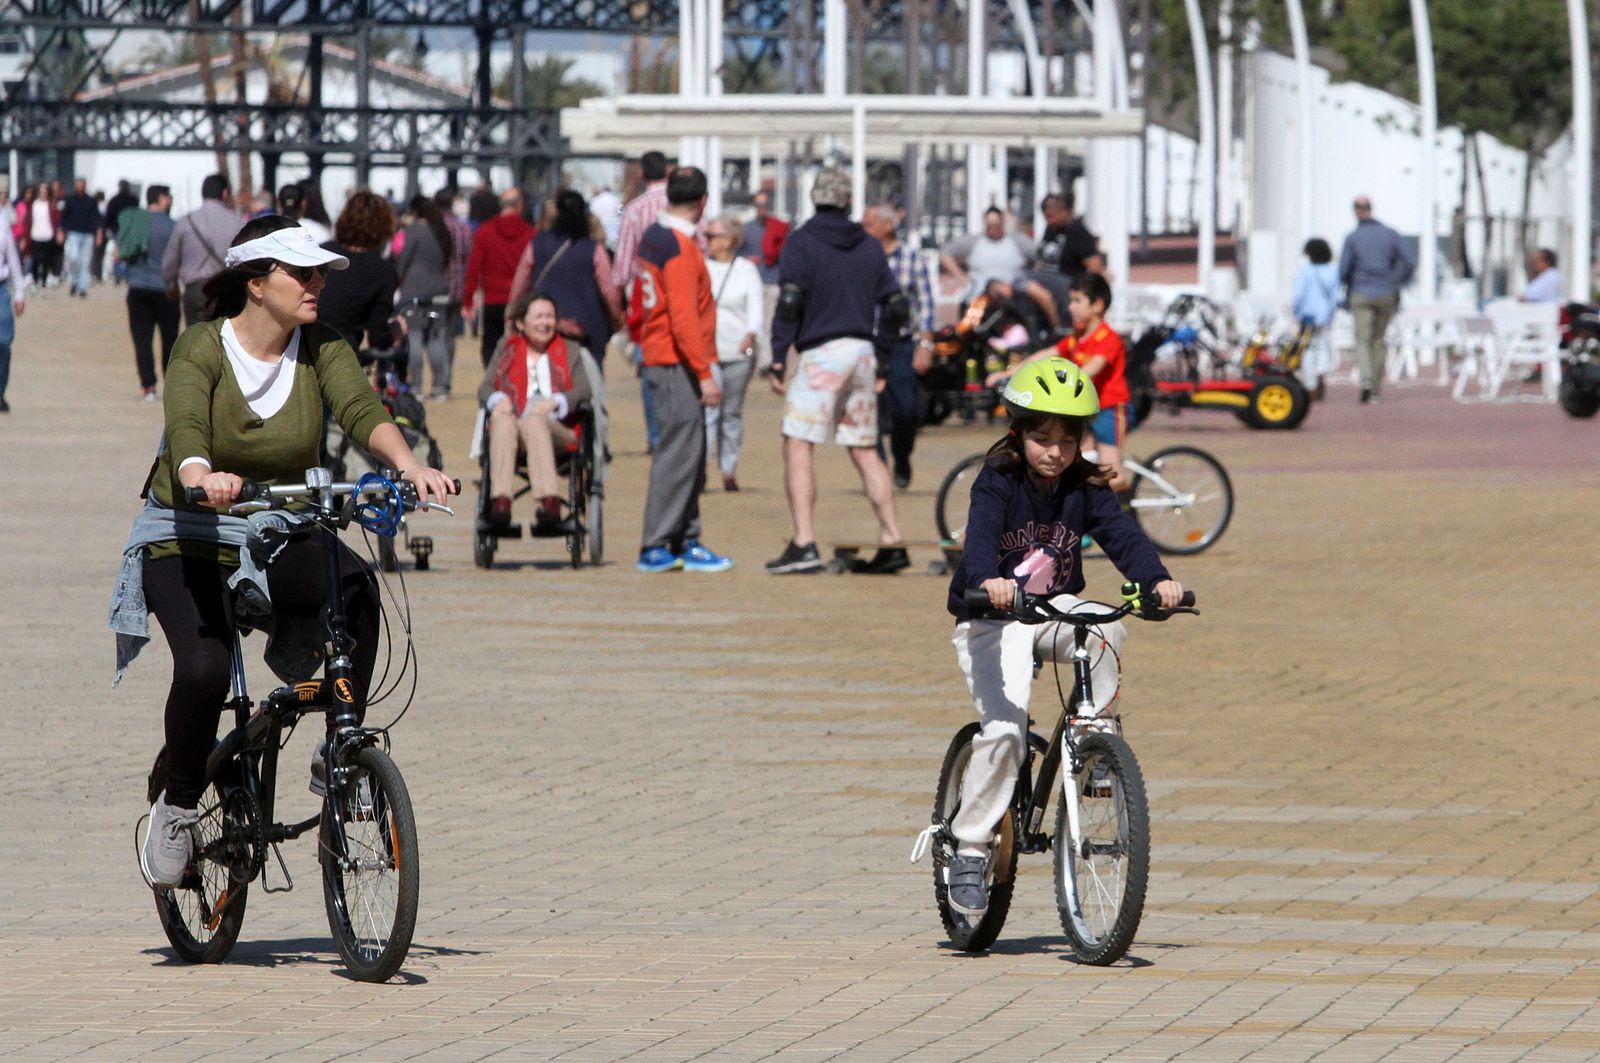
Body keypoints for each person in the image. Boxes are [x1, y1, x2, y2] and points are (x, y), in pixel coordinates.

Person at [120, 215, 455, 888]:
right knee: (207, 666)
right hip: (190, 536)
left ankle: (340, 751)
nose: (317, 283)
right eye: (301, 273)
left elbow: (361, 411)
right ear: (256, 283)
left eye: (319, 272)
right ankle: (179, 807)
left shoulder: (321, 346)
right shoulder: (201, 346)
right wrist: (196, 474)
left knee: (357, 589)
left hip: (276, 530)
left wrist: (407, 464)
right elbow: (186, 421)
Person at [942, 357, 1183, 918]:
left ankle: (1095, 740)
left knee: (1107, 625)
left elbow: (1124, 536)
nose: (1054, 451)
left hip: (1050, 609)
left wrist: (1159, 582)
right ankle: (970, 847)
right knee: (1004, 732)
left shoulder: (1085, 485)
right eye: (1041, 437)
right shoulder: (996, 480)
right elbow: (978, 541)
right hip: (991, 616)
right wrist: (987, 581)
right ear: (1017, 432)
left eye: (1066, 439)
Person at [765, 167, 907, 575]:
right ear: (848, 201)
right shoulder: (869, 245)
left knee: (797, 444)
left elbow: (790, 303)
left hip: (822, 354)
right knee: (864, 449)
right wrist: (882, 356)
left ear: (815, 198)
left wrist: (778, 357)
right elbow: (897, 306)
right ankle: (892, 539)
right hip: (862, 351)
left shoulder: (801, 242)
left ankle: (804, 542)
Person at [632, 166, 732, 574]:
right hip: (675, 362)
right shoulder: (678, 246)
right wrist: (704, 370)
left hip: (662, 355)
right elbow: (684, 317)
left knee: (690, 452)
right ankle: (656, 542)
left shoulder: (653, 237)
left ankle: (685, 537)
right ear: (703, 202)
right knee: (678, 453)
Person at [480, 290, 595, 533]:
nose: (545, 323)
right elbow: (486, 387)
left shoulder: (570, 349)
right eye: (539, 317)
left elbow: (585, 389)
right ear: (521, 323)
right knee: (501, 420)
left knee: (534, 421)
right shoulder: (506, 348)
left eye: (550, 316)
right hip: (514, 430)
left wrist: (558, 401)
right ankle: (500, 500)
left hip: (559, 431)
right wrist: (497, 399)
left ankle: (549, 500)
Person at [1018, 273, 1134, 488]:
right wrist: (1014, 372)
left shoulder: (1108, 338)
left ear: (1097, 305)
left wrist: (1059, 384)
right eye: (1070, 300)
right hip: (1084, 409)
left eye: (1077, 300)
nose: (1071, 307)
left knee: (1112, 476)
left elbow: (1090, 370)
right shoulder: (1077, 337)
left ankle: (1120, 512)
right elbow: (1049, 353)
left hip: (1109, 409)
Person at [507, 189, 623, 373]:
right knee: (589, 377)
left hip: (545, 322)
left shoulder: (537, 244)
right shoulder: (594, 249)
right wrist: (616, 316)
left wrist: (513, 311)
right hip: (586, 326)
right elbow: (608, 289)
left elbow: (521, 280)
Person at [862, 203, 936, 489]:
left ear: (887, 226)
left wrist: (926, 344)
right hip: (866, 343)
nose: (863, 229)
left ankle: (902, 455)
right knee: (871, 412)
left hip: (901, 344)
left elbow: (926, 304)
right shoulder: (861, 259)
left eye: (869, 224)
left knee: (906, 410)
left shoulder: (911, 258)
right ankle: (879, 470)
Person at [614, 151, 673, 451]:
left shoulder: (635, 210)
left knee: (649, 364)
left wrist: (620, 306)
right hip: (679, 289)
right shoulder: (679, 205)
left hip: (645, 297)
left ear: (642, 175)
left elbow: (623, 267)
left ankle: (656, 435)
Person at [702, 213, 764, 492]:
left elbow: (756, 307)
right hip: (708, 351)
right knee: (708, 413)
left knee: (732, 412)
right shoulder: (701, 267)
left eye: (712, 236)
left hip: (738, 352)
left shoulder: (746, 270)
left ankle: (728, 468)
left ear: (729, 240)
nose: (707, 241)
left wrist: (751, 335)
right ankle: (699, 468)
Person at [1339, 195, 1414, 404]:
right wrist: (1395, 281)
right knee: (1379, 341)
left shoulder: (1353, 237)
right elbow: (1409, 261)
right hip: (1385, 293)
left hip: (1361, 292)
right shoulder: (1390, 235)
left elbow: (1343, 270)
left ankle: (1365, 380)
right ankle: (1374, 389)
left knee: (1362, 340)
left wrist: (1347, 283)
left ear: (1356, 211)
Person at [941, 207, 1058, 329]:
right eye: (990, 225)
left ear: (1002, 222)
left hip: (1012, 302)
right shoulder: (973, 241)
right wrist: (960, 276)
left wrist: (1033, 275)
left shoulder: (1017, 241)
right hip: (979, 299)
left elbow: (1039, 256)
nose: (993, 229)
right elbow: (945, 254)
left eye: (996, 225)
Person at [316, 190, 399, 354]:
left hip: (299, 346)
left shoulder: (321, 253)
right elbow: (377, 334)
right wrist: (395, 331)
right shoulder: (383, 269)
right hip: (342, 354)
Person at [121, 184, 183, 401]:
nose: (171, 201)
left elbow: (121, 253)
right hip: (165, 289)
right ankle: (171, 385)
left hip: (137, 287)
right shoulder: (172, 226)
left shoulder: (135, 222)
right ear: (162, 199)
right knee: (170, 340)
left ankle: (148, 387)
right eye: (170, 197)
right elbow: (177, 260)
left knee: (142, 340)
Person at [463, 187, 534, 368]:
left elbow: (474, 268)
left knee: (490, 344)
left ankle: (493, 380)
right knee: (521, 342)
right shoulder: (530, 233)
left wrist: (468, 299)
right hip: (521, 299)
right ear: (519, 205)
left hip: (493, 297)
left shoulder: (485, 231)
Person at [164, 173, 245, 327]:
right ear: (225, 193)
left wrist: (171, 283)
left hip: (195, 290)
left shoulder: (186, 221)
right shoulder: (238, 222)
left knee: (196, 340)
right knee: (225, 339)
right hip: (226, 290)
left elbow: (171, 259)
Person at [396, 194, 455, 399]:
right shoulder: (440, 231)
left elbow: (402, 262)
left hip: (414, 291)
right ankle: (440, 386)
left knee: (414, 336)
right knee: (435, 337)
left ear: (414, 211)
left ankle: (417, 386)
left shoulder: (413, 232)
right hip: (438, 290)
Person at [740, 188, 789, 372]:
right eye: (759, 204)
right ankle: (749, 358)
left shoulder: (778, 228)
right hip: (752, 283)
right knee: (752, 324)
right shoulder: (747, 229)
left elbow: (785, 255)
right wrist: (748, 259)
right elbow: (738, 254)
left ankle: (765, 362)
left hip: (772, 282)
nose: (762, 208)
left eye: (765, 204)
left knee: (769, 324)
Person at [1291, 237, 1340, 399]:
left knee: (1307, 349)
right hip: (1324, 315)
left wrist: (1296, 313)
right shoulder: (1333, 271)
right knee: (1324, 347)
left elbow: (1298, 295)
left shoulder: (1305, 271)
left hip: (1307, 315)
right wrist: (1330, 313)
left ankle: (1310, 384)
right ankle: (1322, 371)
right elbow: (1336, 296)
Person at [0, 209, 27, 412]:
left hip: (1, 288)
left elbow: (12, 257)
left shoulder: (2, 224)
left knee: (3, 343)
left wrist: (19, 291)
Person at [60, 177, 102, 298]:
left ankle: (82, 287)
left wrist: (99, 234)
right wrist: (61, 231)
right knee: (73, 258)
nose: (80, 187)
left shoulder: (91, 201)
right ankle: (74, 281)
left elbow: (97, 218)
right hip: (73, 233)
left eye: (82, 185)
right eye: (78, 185)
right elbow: (64, 217)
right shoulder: (70, 200)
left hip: (88, 234)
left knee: (85, 261)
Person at [22, 184, 60, 289]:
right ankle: (34, 280)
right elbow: (27, 222)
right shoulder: (33, 205)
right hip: (35, 236)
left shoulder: (52, 206)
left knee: (47, 260)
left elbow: (56, 221)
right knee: (35, 260)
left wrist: (57, 233)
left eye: (45, 192)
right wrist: (25, 237)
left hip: (48, 235)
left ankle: (44, 281)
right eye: (41, 191)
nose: (43, 194)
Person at [104, 179, 138, 286]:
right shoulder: (132, 199)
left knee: (121, 253)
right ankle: (122, 274)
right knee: (124, 253)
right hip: (121, 229)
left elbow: (108, 216)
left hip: (121, 229)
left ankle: (121, 274)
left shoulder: (116, 200)